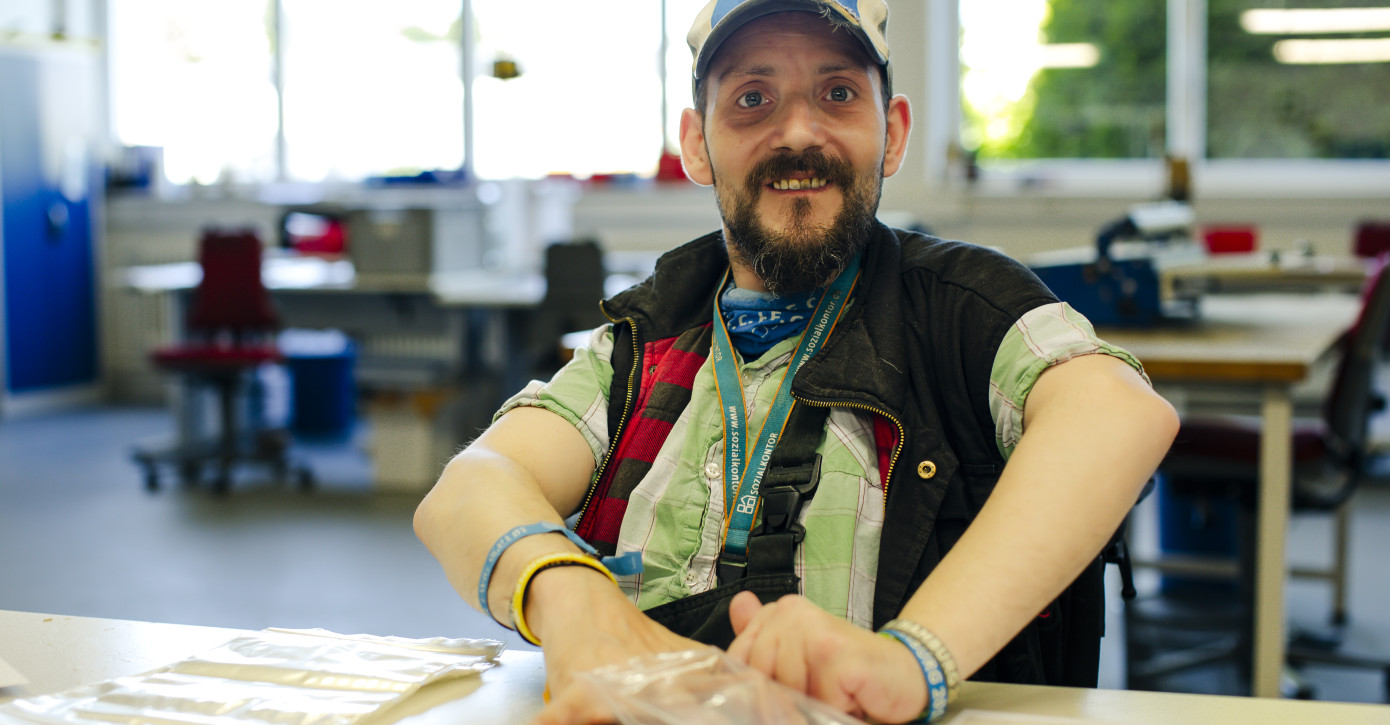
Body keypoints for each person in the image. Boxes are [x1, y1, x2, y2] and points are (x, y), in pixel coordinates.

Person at [414, 1, 1179, 722]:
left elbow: (1116, 414)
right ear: (696, 143)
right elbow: (472, 484)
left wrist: (911, 658)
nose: (798, 133)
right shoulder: (645, 340)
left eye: (838, 93)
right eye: (752, 99)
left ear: (893, 132)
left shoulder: (964, 310)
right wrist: (569, 595)